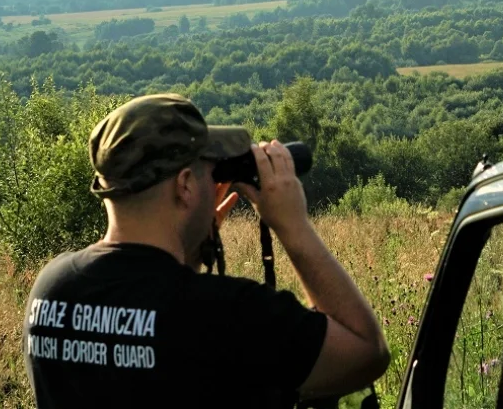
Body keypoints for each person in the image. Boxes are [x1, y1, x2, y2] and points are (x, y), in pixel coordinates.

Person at [22, 93, 389, 408]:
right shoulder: (231, 313)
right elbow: (366, 352)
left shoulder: (52, 290)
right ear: (184, 185)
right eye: (209, 172)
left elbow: (153, 314)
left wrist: (192, 241)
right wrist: (292, 226)